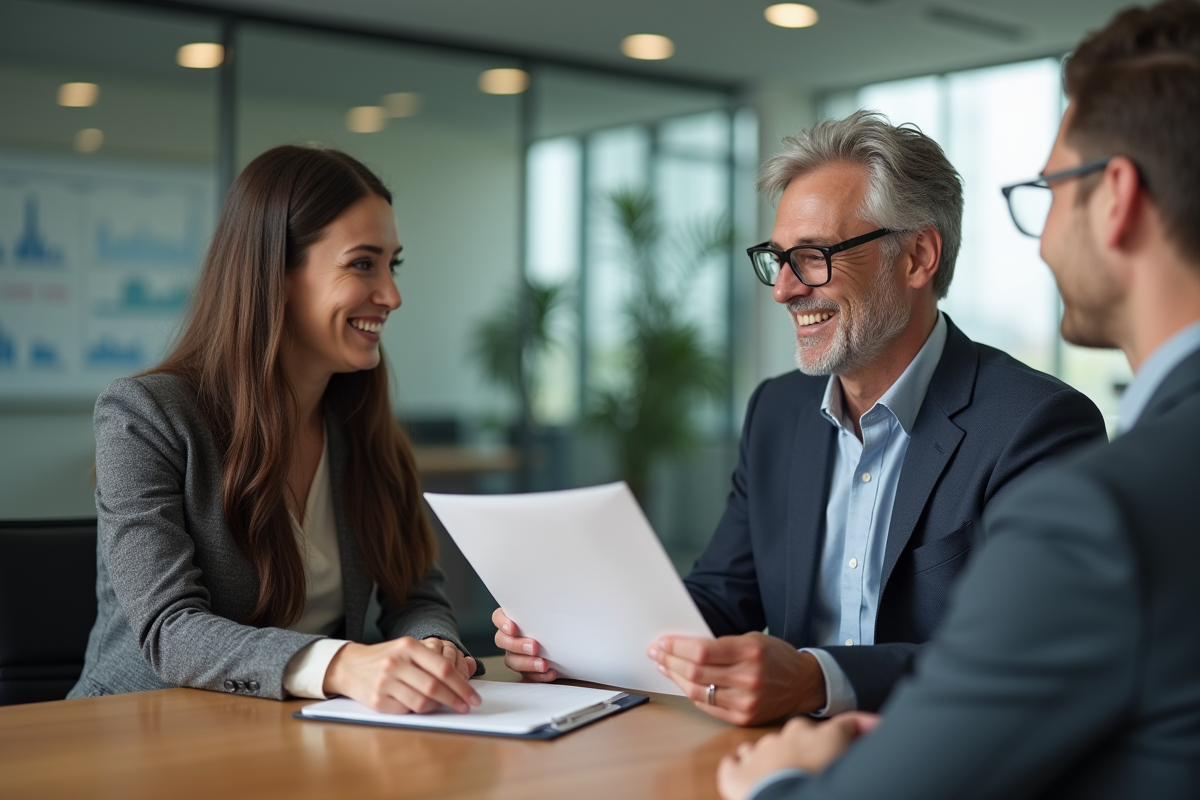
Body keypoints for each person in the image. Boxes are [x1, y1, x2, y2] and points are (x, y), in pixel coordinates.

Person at [717, 1, 1200, 797]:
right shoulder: (779, 412)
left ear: (1115, 197)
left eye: (1050, 191)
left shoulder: (1095, 501)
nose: (1040, 239)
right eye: (780, 259)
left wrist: (777, 782)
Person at [493, 112, 1107, 725]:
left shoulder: (1036, 424)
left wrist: (819, 680)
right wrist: (576, 640)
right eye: (777, 259)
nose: (784, 289)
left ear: (918, 256)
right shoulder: (777, 412)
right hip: (773, 758)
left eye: (813, 256)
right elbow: (721, 599)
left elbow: (1018, 656)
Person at [69, 146, 483, 715]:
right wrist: (340, 663)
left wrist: (434, 643)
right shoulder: (145, 416)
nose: (391, 295)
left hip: (299, 734)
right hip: (138, 733)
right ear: (276, 274)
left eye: (393, 264)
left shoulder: (361, 422)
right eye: (363, 263)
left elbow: (416, 594)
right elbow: (170, 630)